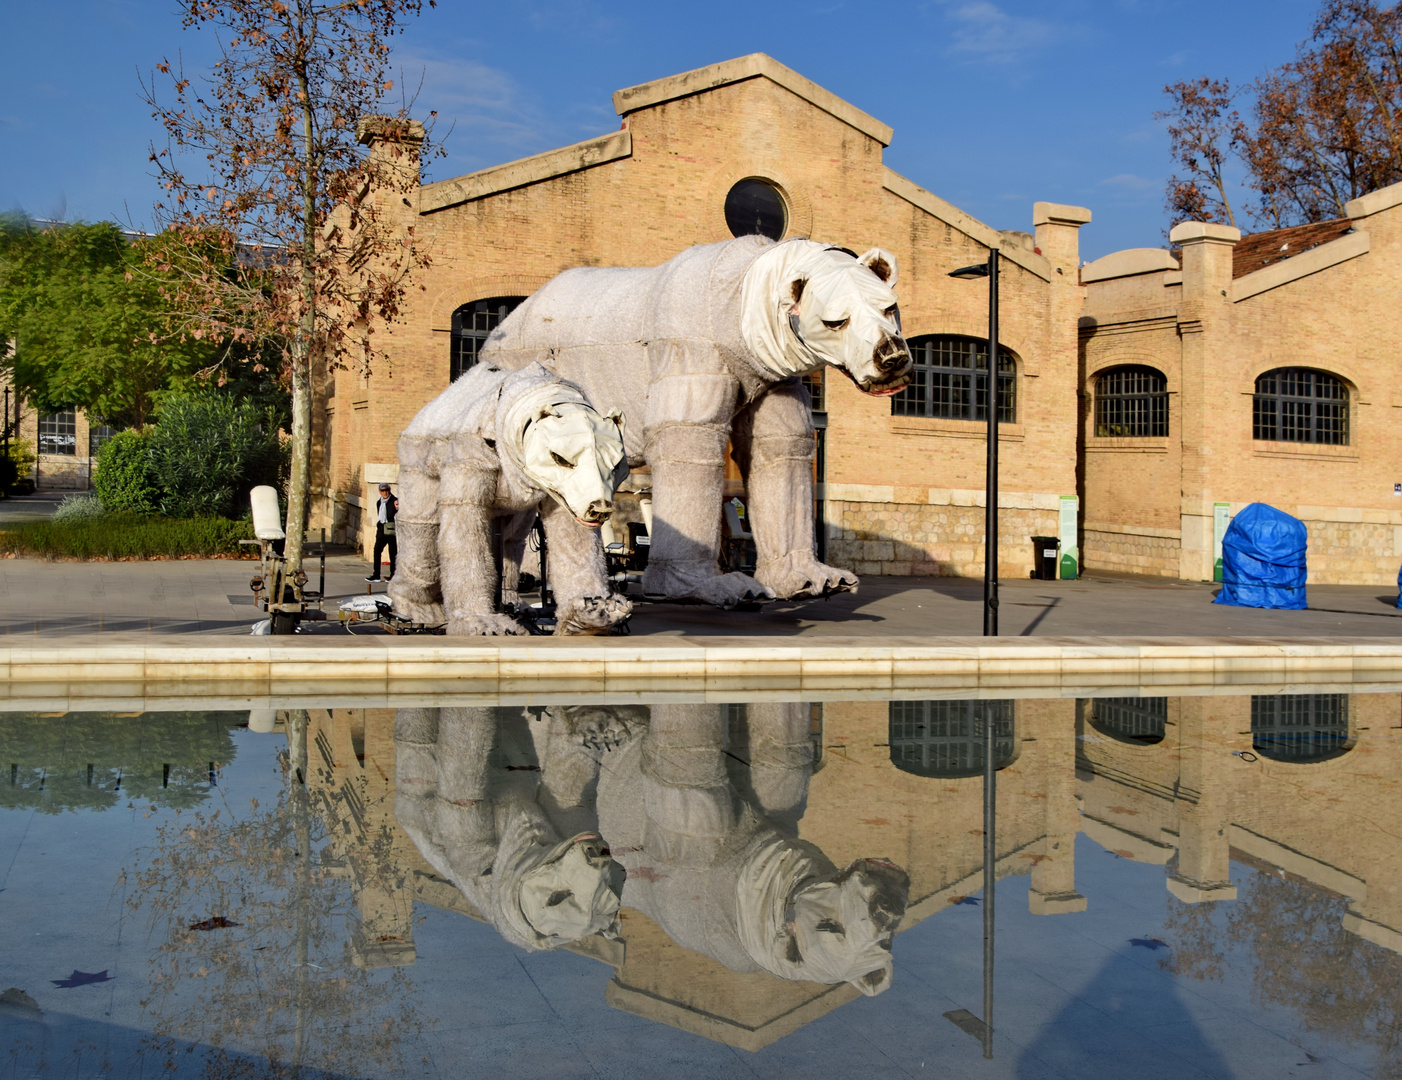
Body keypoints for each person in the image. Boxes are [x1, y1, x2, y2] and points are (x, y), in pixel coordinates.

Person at [367, 482, 398, 581]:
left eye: (387, 490)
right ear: (380, 492)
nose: (385, 492)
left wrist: (397, 508)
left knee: (392, 553)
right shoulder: (379, 502)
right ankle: (376, 574)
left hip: (391, 530)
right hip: (381, 529)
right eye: (383, 490)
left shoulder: (395, 501)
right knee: (377, 551)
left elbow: (398, 515)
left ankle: (393, 575)